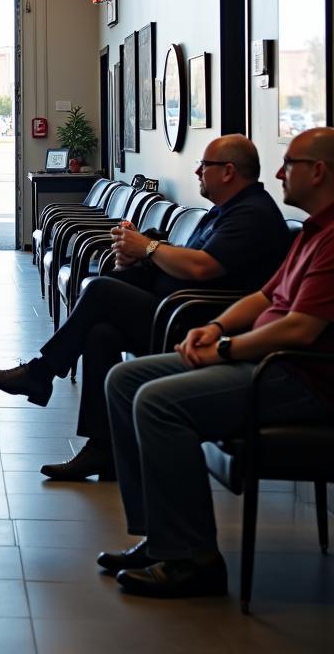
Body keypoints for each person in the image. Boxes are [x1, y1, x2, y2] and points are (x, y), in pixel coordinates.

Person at [100, 128, 334, 598]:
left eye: (290, 163)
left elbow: (299, 330)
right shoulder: (312, 230)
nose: (279, 173)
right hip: (268, 361)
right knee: (124, 379)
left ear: (319, 171)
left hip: (298, 375)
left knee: (156, 401)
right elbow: (265, 296)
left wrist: (226, 350)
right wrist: (219, 328)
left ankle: (194, 559)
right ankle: (162, 539)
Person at [0, 135, 291, 481]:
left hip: (196, 320)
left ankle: (41, 373)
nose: (198, 171)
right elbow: (183, 259)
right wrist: (136, 254)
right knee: (101, 334)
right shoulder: (225, 210)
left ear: (229, 171)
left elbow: (203, 268)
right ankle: (103, 450)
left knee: (98, 289)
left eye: (206, 165)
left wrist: (149, 248)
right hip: (178, 309)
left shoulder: (252, 214)